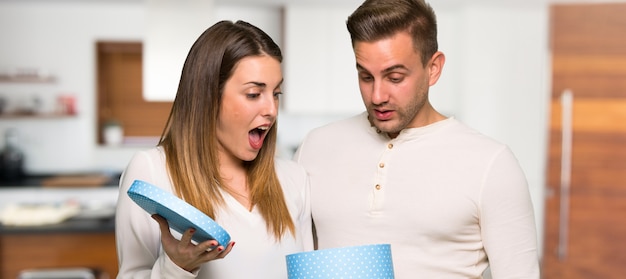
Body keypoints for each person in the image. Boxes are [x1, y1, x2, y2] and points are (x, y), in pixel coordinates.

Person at [293, 0, 540, 278]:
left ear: (433, 68)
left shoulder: (491, 164)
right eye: (365, 76)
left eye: (395, 77)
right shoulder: (315, 147)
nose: (377, 96)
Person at [115, 20, 313, 279]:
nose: (271, 110)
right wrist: (175, 268)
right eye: (254, 94)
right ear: (208, 96)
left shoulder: (293, 178)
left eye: (276, 94)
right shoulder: (152, 171)